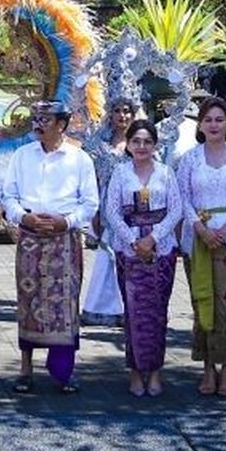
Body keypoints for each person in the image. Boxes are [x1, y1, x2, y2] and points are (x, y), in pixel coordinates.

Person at [1, 100, 98, 394]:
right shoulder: (21, 156)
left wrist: (65, 222)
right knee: (28, 301)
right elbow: (9, 196)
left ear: (61, 124)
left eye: (46, 119)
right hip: (30, 238)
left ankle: (64, 371)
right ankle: (25, 368)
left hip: (63, 240)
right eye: (36, 118)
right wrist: (23, 216)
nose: (39, 123)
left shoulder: (79, 159)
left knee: (64, 303)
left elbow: (90, 203)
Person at [175, 96, 226, 397]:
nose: (214, 125)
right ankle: (207, 368)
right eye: (208, 119)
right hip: (198, 239)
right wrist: (199, 227)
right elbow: (181, 197)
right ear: (200, 124)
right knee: (203, 302)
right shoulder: (190, 160)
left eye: (219, 119)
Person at [102, 119, 180, 397]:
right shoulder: (120, 174)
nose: (142, 146)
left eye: (147, 141)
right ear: (129, 144)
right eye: (136, 141)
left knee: (158, 312)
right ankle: (135, 371)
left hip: (161, 250)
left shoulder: (166, 173)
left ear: (155, 144)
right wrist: (134, 241)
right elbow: (111, 212)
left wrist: (153, 238)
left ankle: (156, 371)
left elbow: (176, 210)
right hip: (130, 250)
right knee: (134, 313)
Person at [81, 98, 133, 328]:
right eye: (118, 111)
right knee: (107, 256)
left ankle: (131, 305)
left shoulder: (138, 144)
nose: (122, 116)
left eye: (127, 111)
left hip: (132, 210)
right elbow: (95, 180)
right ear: (110, 115)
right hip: (106, 207)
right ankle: (103, 307)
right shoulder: (101, 143)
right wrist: (96, 213)